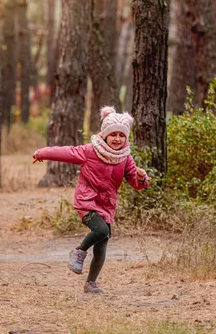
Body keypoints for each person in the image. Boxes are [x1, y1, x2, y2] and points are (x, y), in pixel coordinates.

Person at [32, 106, 149, 293]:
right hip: (87, 201)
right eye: (113, 135)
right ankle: (79, 251)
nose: (117, 139)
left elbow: (135, 182)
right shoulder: (90, 151)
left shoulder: (125, 158)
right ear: (104, 135)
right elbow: (65, 152)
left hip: (107, 205)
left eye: (121, 135)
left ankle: (91, 283)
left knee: (103, 241)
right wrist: (42, 153)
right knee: (101, 230)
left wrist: (142, 178)